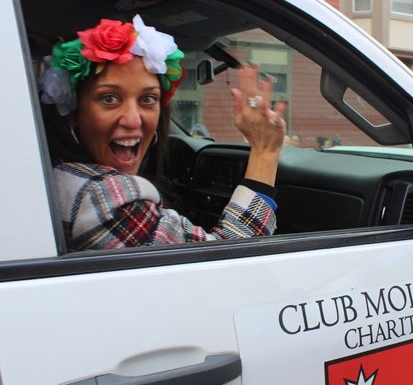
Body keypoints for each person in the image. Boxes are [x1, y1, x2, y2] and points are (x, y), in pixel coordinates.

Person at [38, 16, 287, 251]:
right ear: (72, 111)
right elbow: (231, 259)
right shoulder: (112, 198)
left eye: (147, 99)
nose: (133, 120)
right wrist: (266, 151)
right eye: (109, 98)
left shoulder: (55, 174)